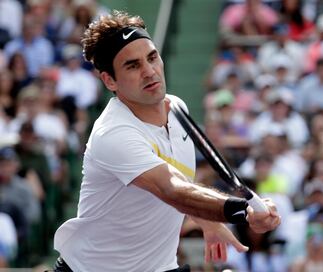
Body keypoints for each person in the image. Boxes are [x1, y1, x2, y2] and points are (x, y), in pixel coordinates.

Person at [53, 10, 281, 272]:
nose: (149, 71)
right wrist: (243, 212)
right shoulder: (113, 133)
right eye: (133, 65)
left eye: (152, 57)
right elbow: (170, 189)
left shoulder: (178, 109)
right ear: (109, 80)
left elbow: (180, 182)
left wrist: (208, 219)